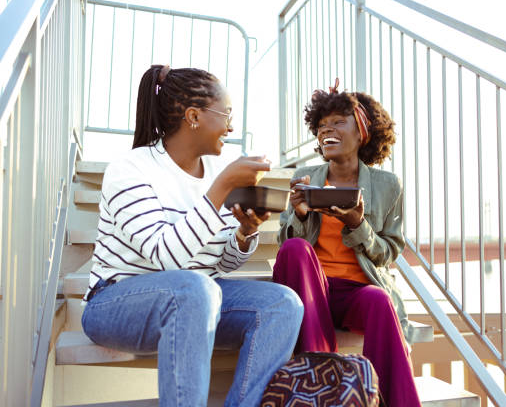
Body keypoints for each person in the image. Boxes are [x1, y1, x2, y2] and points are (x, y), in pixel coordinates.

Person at [81, 65, 303, 407]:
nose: (231, 125)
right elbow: (167, 257)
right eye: (226, 113)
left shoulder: (216, 171)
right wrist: (221, 189)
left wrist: (245, 232)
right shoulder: (130, 170)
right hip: (116, 303)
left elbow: (222, 263)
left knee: (282, 304)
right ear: (194, 116)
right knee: (193, 289)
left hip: (200, 298)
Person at [273, 78, 420, 407]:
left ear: (362, 131)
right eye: (322, 125)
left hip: (356, 289)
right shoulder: (306, 176)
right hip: (312, 288)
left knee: (380, 301)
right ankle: (324, 381)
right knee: (296, 248)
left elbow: (388, 253)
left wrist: (357, 223)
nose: (328, 131)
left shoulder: (387, 185)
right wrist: (298, 213)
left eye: (339, 122)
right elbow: (284, 246)